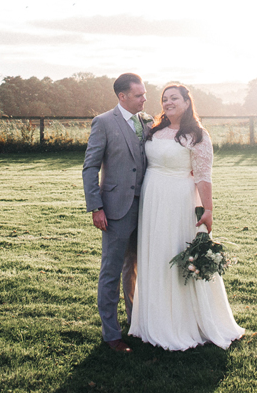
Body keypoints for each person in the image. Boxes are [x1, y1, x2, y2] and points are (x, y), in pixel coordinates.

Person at [130, 83, 244, 351]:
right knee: (156, 254)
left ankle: (183, 322)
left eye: (174, 98)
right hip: (152, 196)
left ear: (186, 102)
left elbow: (203, 176)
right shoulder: (154, 130)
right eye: (164, 99)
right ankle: (153, 319)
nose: (168, 102)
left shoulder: (197, 135)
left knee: (174, 251)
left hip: (179, 199)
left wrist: (208, 210)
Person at [82, 72, 149, 353]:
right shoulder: (104, 122)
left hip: (146, 209)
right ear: (122, 97)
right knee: (111, 271)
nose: (144, 99)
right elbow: (90, 167)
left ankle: (136, 325)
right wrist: (96, 207)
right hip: (115, 210)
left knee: (136, 268)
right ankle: (112, 334)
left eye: (144, 93)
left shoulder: (147, 122)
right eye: (138, 95)